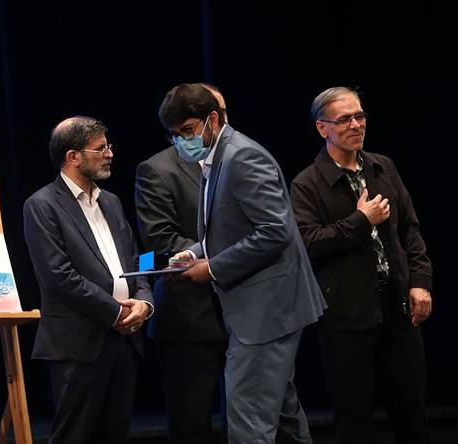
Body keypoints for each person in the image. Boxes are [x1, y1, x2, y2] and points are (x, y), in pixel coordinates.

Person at [159, 83, 326, 444]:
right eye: (175, 135)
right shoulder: (217, 157)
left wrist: (212, 268)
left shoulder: (242, 157)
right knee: (283, 416)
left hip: (266, 313)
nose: (183, 141)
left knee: (248, 421)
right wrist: (196, 252)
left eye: (188, 130)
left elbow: (275, 232)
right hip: (260, 311)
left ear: (212, 119)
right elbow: (233, 226)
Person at [290, 86, 432, 444]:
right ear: (322, 128)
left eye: (360, 116)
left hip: (397, 307)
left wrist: (420, 281)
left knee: (412, 412)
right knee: (354, 418)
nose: (356, 125)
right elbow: (308, 244)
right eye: (344, 119)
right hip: (346, 316)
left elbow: (410, 230)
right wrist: (360, 221)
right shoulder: (307, 183)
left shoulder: (382, 166)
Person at [23, 116, 154, 444]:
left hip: (124, 340)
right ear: (73, 157)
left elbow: (138, 260)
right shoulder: (42, 205)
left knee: (115, 435)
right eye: (100, 148)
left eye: (109, 146)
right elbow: (58, 276)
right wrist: (116, 311)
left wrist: (145, 301)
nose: (110, 154)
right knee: (74, 436)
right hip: (79, 343)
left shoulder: (111, 201)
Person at [134, 83, 228, 444]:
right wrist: (226, 258)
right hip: (189, 316)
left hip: (242, 310)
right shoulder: (157, 169)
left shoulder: (239, 161)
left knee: (250, 421)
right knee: (192, 425)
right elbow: (159, 240)